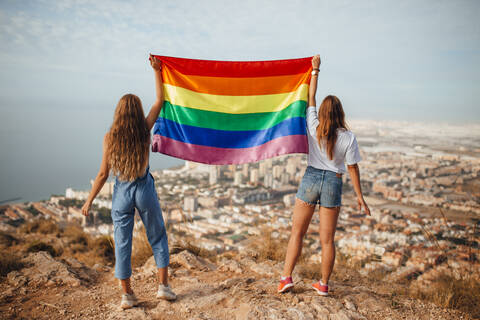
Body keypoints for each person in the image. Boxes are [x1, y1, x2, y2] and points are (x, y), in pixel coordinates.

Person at [81, 55, 176, 309]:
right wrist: (157, 71)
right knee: (157, 236)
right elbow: (160, 100)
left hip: (121, 192)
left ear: (118, 113)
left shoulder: (109, 138)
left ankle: (127, 295)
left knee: (122, 243)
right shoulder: (144, 130)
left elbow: (102, 174)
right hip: (144, 189)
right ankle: (163, 288)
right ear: (137, 113)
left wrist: (89, 201)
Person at [278, 55, 370, 296]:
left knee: (297, 232)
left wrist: (315, 70)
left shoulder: (313, 127)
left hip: (310, 178)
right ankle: (323, 285)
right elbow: (353, 168)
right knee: (327, 240)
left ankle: (286, 278)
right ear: (340, 113)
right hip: (333, 182)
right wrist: (360, 197)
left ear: (322, 112)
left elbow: (310, 96)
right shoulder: (348, 138)